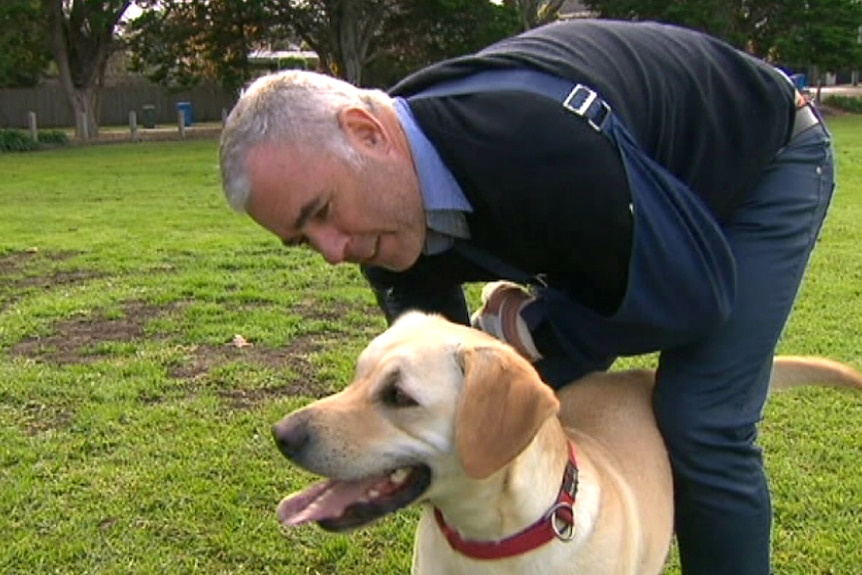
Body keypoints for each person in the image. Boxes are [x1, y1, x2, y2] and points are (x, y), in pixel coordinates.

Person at [219, 18, 835, 575]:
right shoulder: (383, 213)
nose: (332, 250)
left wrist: (533, 327)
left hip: (762, 165)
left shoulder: (532, 146)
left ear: (367, 133)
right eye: (304, 240)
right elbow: (454, 385)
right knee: (507, 410)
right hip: (624, 203)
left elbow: (696, 295)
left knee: (702, 417)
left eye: (323, 212)